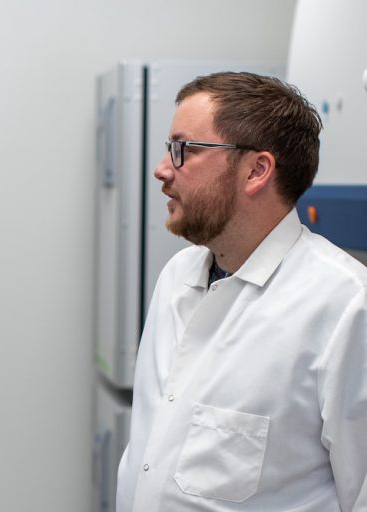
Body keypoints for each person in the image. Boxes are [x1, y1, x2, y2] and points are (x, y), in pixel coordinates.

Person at [116, 71, 367, 511]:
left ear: (256, 170)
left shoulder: (346, 306)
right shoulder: (178, 276)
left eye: (183, 150)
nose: (161, 170)